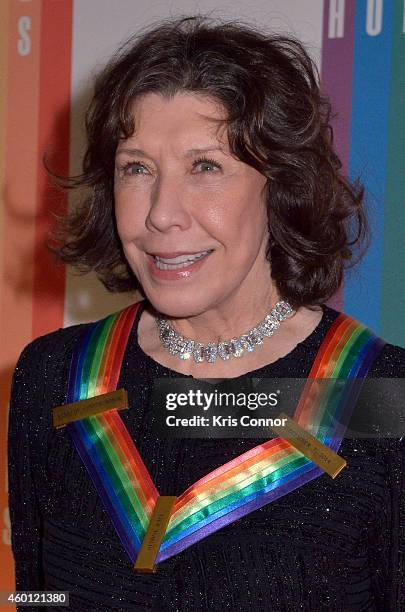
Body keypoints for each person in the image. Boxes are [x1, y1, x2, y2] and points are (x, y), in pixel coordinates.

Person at [8, 15, 405, 612]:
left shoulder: (382, 399)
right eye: (136, 168)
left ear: (281, 185)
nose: (162, 214)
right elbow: (43, 595)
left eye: (206, 167)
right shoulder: (55, 378)